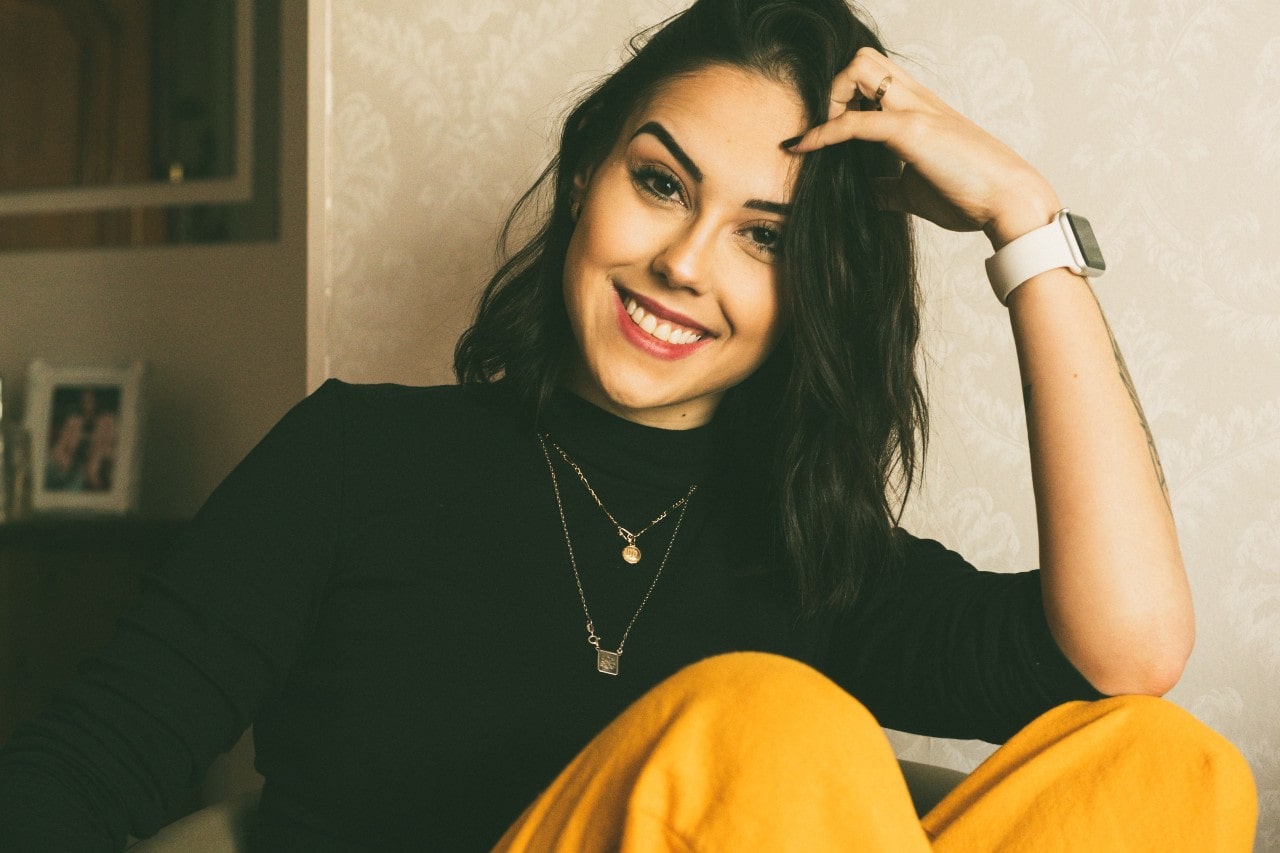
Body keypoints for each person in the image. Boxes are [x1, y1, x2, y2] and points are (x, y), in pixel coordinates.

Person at [0, 0, 1257, 849]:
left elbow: (1124, 656)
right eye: (660, 182)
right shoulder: (357, 459)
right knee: (771, 719)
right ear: (591, 171)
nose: (683, 263)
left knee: (1170, 765)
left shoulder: (810, 547)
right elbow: (87, 763)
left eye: (763, 238)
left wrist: (1023, 224)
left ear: (817, 289)